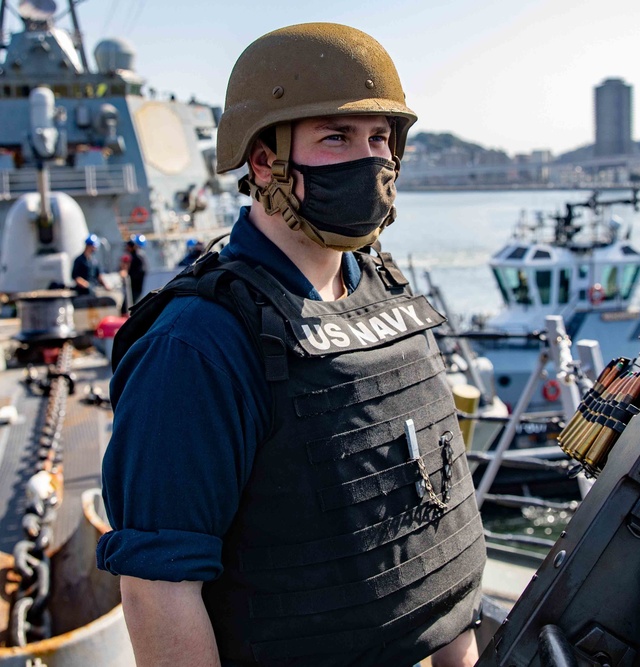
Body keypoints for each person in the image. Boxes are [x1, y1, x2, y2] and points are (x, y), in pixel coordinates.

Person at [97, 23, 486, 667]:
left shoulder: (388, 296)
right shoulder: (196, 345)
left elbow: (436, 547)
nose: (371, 159)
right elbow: (157, 589)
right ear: (263, 161)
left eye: (380, 138)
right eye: (336, 137)